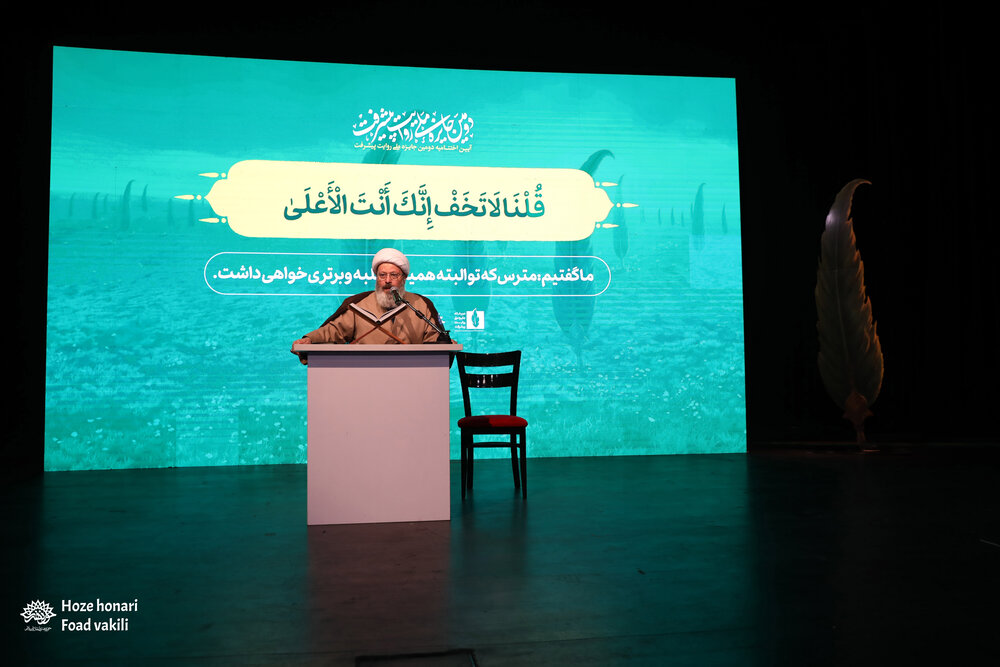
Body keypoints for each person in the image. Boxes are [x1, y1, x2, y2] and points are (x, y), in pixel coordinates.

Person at [291, 248, 450, 363]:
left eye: (394, 275)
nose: (387, 281)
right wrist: (309, 339)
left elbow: (435, 341)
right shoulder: (359, 304)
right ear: (376, 278)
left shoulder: (421, 305)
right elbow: (333, 331)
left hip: (413, 378)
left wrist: (446, 345)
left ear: (404, 278)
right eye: (382, 275)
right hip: (363, 377)